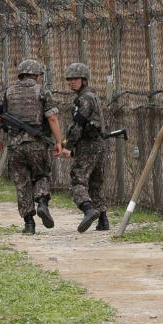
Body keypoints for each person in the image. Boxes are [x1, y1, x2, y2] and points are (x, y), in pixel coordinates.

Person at [0, 58, 65, 235]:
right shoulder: (42, 92)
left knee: (22, 182)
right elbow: (52, 118)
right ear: (36, 76)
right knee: (42, 175)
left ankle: (29, 224)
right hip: (37, 144)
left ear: (21, 75)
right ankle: (41, 203)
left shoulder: (6, 93)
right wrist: (59, 142)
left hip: (15, 146)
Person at [62, 62, 109, 233]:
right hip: (98, 144)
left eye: (75, 79)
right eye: (70, 79)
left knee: (78, 179)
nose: (71, 82)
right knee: (95, 182)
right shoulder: (92, 96)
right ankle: (103, 219)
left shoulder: (85, 98)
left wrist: (68, 145)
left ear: (84, 79)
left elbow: (78, 125)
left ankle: (88, 209)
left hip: (88, 144)